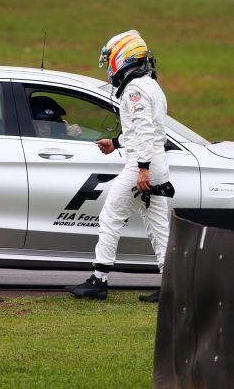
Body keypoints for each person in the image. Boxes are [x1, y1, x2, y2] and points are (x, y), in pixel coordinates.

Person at [65, 30, 173, 302]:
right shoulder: (151, 86)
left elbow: (145, 130)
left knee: (111, 216)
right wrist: (116, 142)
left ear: (124, 58)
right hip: (157, 161)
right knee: (159, 226)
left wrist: (143, 168)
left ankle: (99, 280)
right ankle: (173, 285)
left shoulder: (134, 90)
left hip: (142, 164)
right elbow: (145, 130)